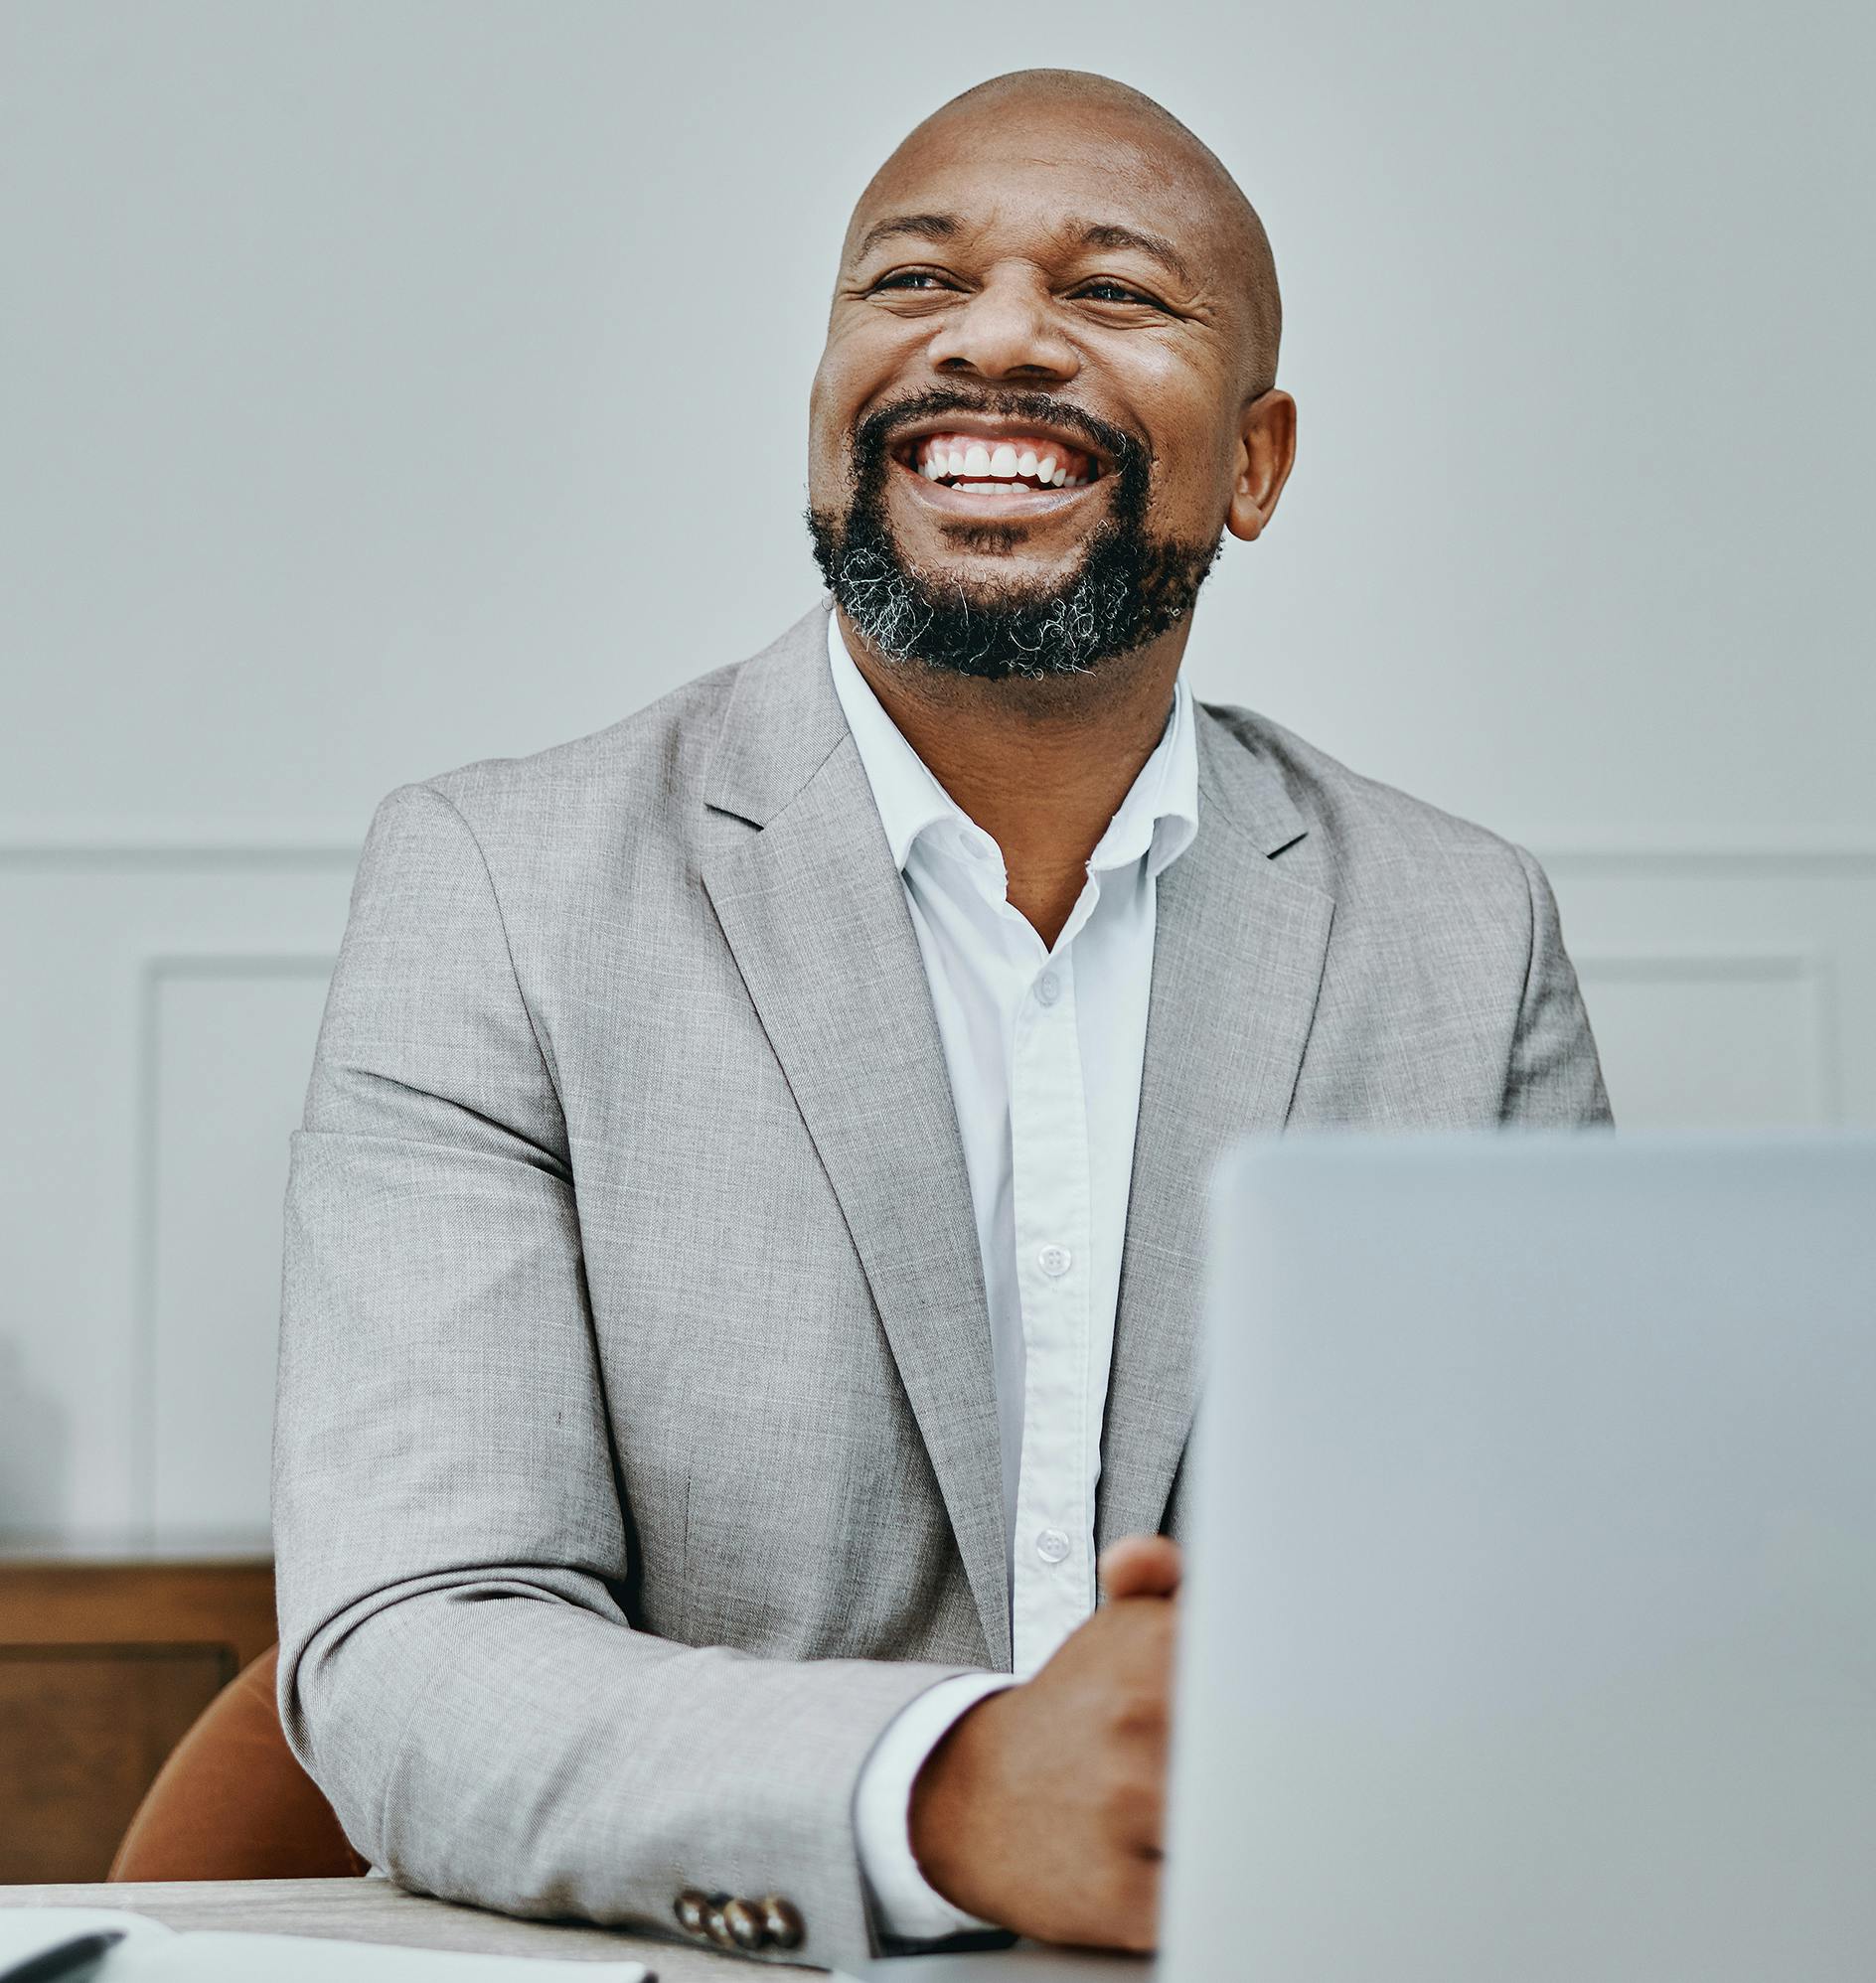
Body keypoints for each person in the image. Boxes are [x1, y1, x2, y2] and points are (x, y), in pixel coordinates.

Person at [272, 67, 1611, 1972]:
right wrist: (954, 1788)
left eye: (1117, 293)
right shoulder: (499, 887)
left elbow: (1573, 1606)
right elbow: (406, 1652)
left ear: (1256, 460)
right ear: (828, 412)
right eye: (910, 284)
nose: (994, 340)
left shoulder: (1465, 939)